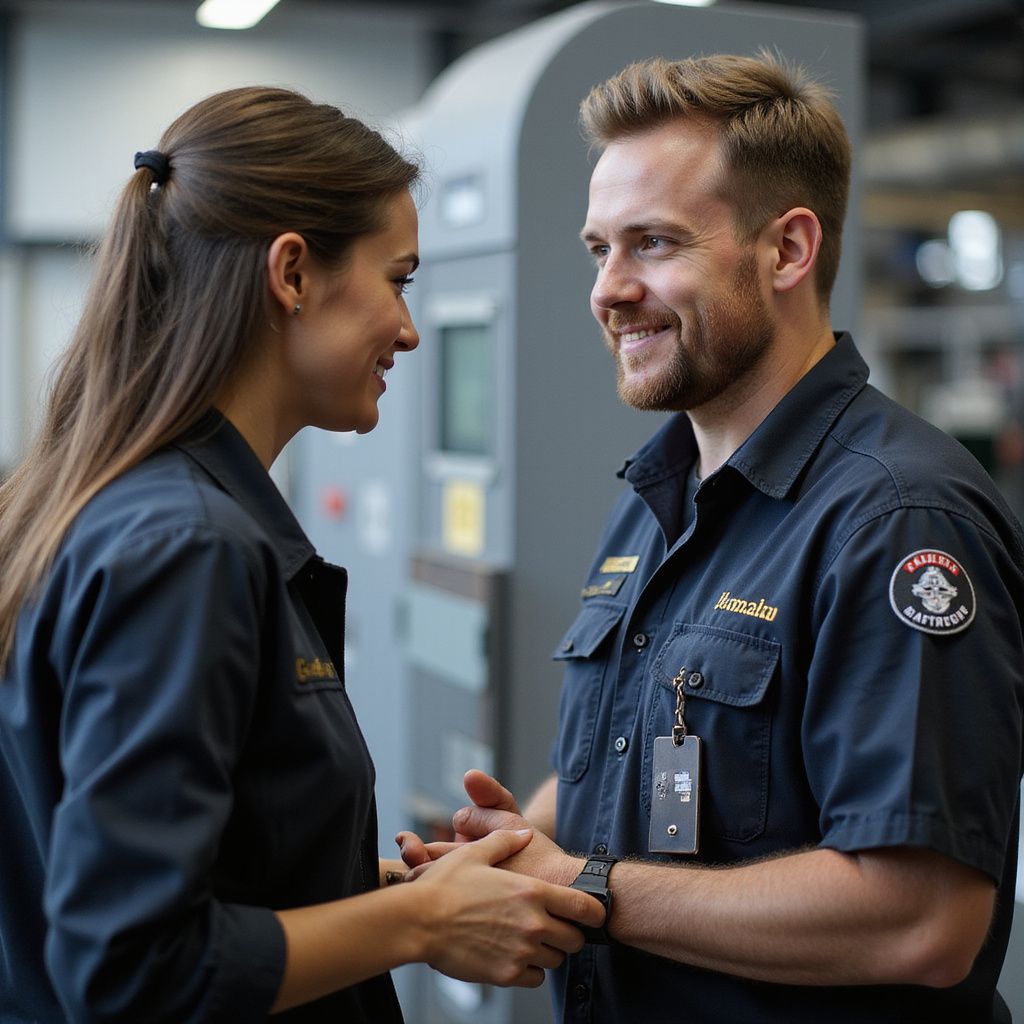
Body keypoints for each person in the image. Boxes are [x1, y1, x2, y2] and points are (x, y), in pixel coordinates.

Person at [399, 53, 1024, 1023]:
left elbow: (922, 917)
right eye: (597, 248)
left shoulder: (897, 519)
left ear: (786, 251)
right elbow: (663, 732)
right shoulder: (660, 495)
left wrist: (585, 887)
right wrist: (517, 845)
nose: (608, 290)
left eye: (651, 243)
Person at [0, 86, 603, 1023]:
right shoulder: (188, 549)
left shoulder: (105, 507)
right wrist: (420, 922)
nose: (408, 328)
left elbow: (197, 866)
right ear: (292, 274)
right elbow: (130, 967)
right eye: (398, 279)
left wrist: (400, 883)